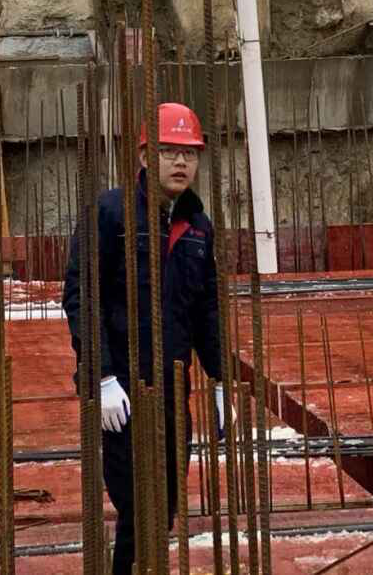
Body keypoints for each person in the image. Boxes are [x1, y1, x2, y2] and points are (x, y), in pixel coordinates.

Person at [62, 102, 224, 575]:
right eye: (169, 151)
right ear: (145, 156)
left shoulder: (199, 227)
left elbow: (206, 309)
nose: (181, 162)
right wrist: (102, 377)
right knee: (136, 503)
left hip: (173, 385)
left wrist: (220, 380)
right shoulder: (110, 214)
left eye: (189, 153)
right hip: (123, 387)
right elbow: (81, 297)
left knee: (166, 501)